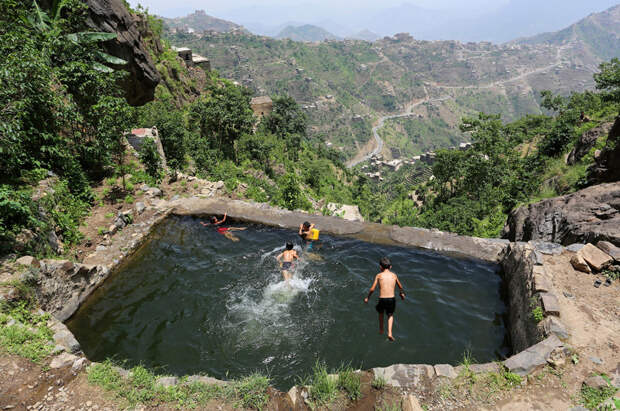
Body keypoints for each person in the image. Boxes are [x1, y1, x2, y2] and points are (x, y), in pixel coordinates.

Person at [364, 257, 405, 341]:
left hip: (382, 299)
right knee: (390, 315)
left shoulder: (379, 275)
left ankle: (381, 329)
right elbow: (400, 286)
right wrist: (401, 294)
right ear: (390, 267)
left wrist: (367, 297)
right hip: (391, 299)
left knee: (381, 313)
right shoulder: (394, 275)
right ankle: (390, 332)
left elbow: (372, 289)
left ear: (380, 267)